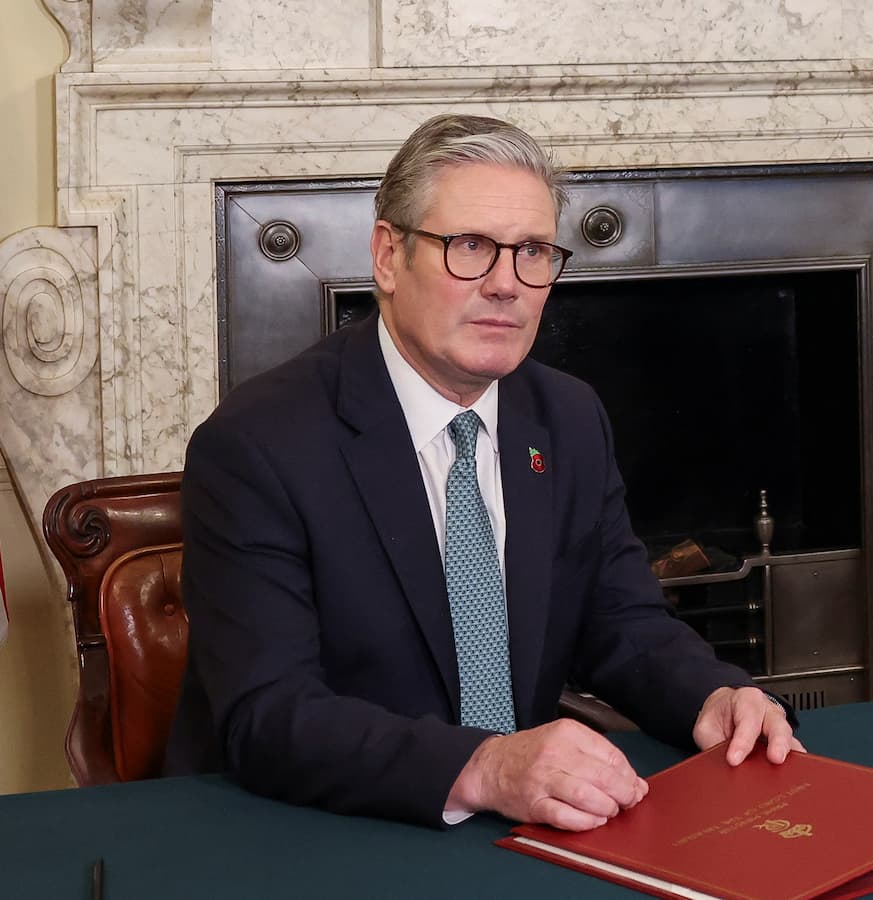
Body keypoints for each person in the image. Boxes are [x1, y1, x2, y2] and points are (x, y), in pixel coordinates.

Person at [166, 114, 800, 828]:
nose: (507, 284)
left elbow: (620, 621)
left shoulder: (566, 417)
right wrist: (483, 766)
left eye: (532, 251)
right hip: (319, 830)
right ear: (387, 256)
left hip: (523, 828)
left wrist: (713, 697)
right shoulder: (259, 443)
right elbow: (267, 714)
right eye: (470, 246)